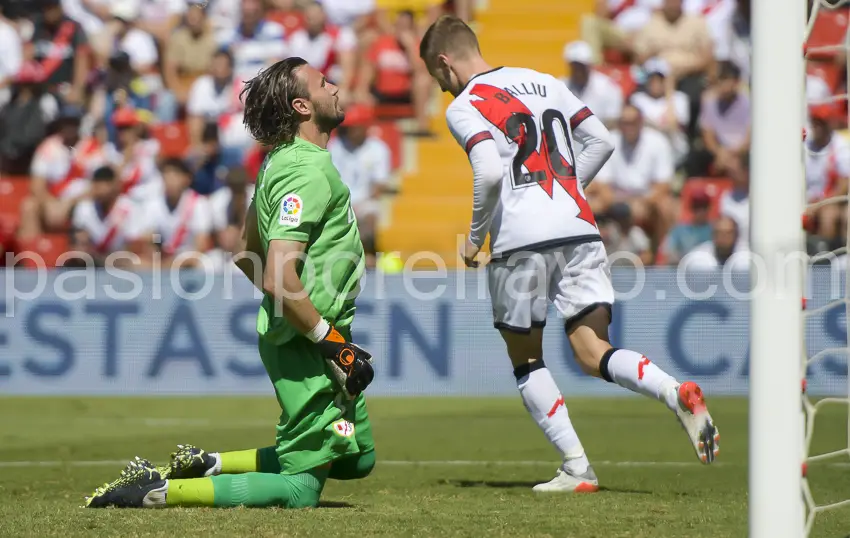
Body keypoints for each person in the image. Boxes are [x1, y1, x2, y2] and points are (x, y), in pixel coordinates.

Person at [418, 15, 719, 493]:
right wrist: (566, 191)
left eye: (439, 80)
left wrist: (475, 237)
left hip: (522, 238)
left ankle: (577, 467)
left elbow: (490, 172)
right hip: (579, 227)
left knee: (526, 360)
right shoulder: (544, 81)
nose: (444, 90)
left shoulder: (468, 103)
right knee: (590, 351)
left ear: (444, 62)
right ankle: (672, 391)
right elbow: (601, 139)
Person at [86, 57, 376, 510]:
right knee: (302, 491)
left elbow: (244, 252)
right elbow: (277, 272)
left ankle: (210, 464)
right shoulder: (306, 171)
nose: (336, 86)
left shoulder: (279, 162)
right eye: (325, 82)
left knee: (357, 457)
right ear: (303, 106)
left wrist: (293, 310)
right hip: (315, 341)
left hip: (316, 331)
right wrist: (324, 338)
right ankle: (159, 492)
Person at [328, 104, 391, 268]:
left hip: (365, 201)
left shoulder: (378, 149)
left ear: (365, 127)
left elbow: (379, 185)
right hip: (338, 201)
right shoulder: (335, 147)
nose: (350, 131)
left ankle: (365, 254)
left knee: (370, 218)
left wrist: (358, 204)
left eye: (354, 127)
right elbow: (329, 180)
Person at [69, 165, 139, 266]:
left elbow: (133, 246)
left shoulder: (128, 208)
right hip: (92, 263)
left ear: (114, 185)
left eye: (105, 185)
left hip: (120, 262)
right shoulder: (84, 208)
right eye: (97, 186)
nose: (101, 191)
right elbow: (79, 243)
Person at [561, 40, 623, 128]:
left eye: (581, 65)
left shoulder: (608, 87)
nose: (578, 70)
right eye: (575, 65)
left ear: (589, 65)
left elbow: (612, 121)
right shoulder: (561, 86)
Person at [659, 184, 714, 265]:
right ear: (691, 208)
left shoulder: (715, 230)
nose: (700, 210)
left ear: (709, 207)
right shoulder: (678, 231)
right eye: (696, 206)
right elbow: (667, 253)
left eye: (703, 206)